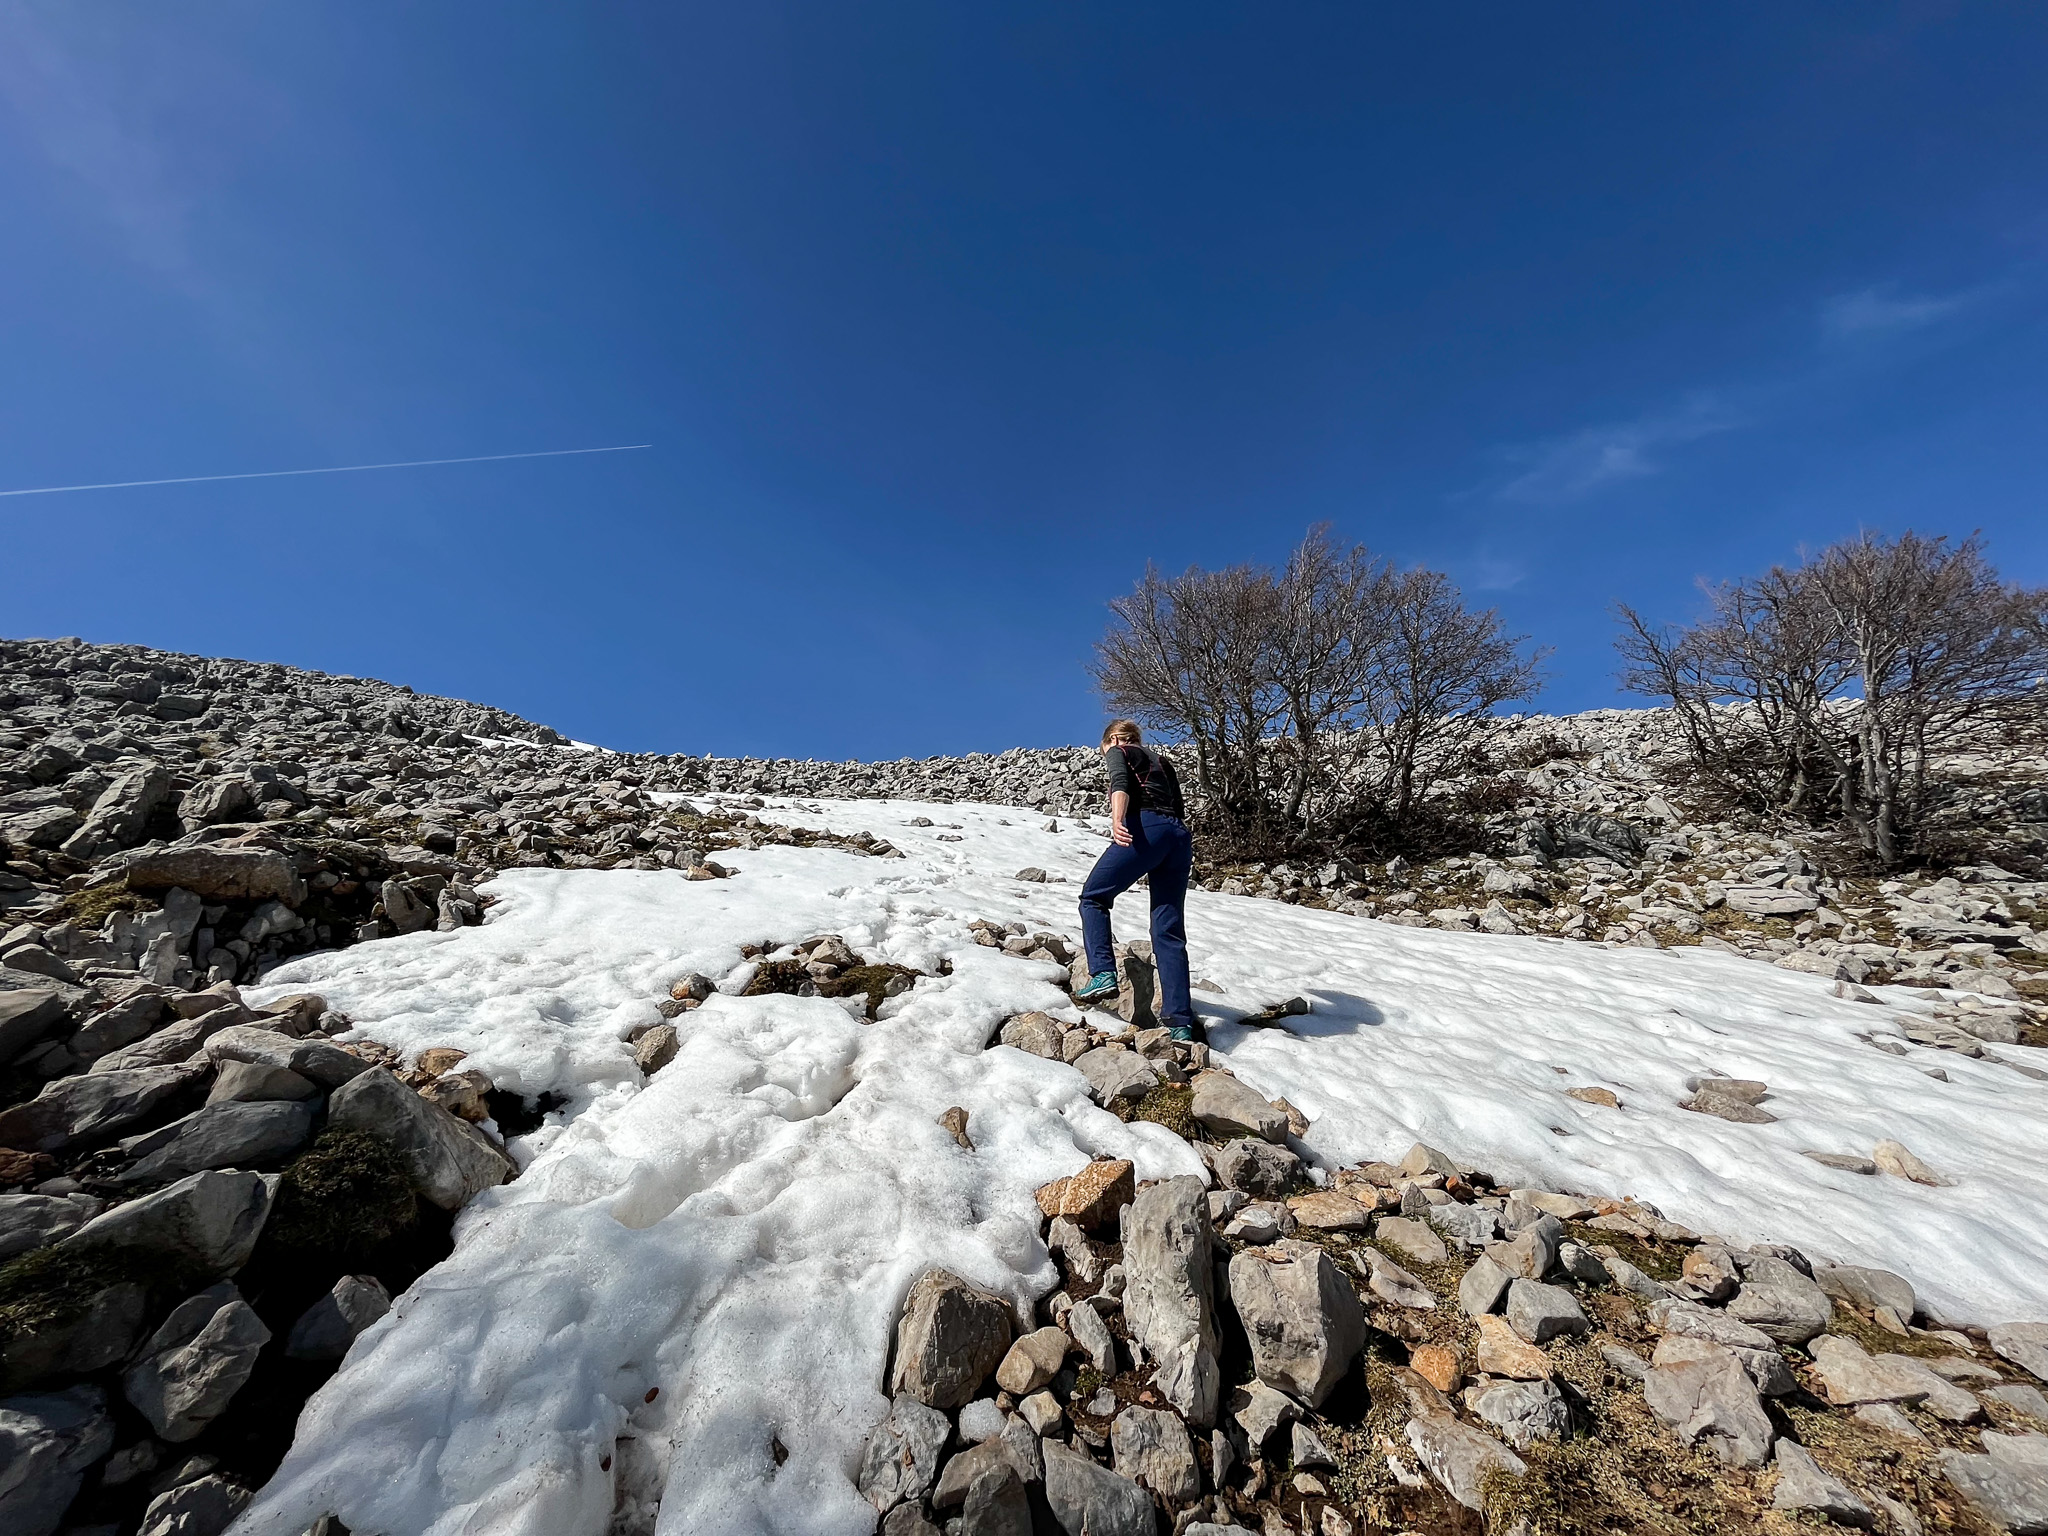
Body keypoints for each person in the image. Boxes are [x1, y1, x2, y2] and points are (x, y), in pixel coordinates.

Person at [1073, 720, 1197, 1041]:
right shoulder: (1161, 760)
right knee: (1167, 929)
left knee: (1093, 898)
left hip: (1147, 826)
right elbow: (1179, 807)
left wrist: (1117, 819)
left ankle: (1103, 973)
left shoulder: (1119, 750)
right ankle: (1179, 1022)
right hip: (1179, 836)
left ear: (1111, 740)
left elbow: (1120, 782)